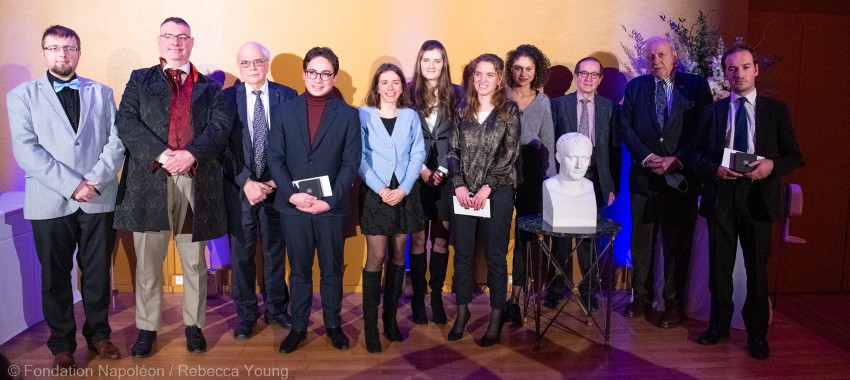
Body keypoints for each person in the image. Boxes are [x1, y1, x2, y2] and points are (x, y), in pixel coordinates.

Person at [7, 25, 124, 369]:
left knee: (98, 272)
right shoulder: (21, 95)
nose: (63, 54)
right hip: (50, 199)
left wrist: (94, 180)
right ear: (43, 52)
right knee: (55, 276)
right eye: (55, 48)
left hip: (98, 197)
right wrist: (73, 185)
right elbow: (27, 150)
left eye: (70, 48)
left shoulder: (101, 92)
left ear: (79, 52)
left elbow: (115, 142)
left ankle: (99, 334)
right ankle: (62, 344)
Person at [114, 17, 231, 357]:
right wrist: (164, 155)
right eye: (169, 36)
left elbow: (220, 127)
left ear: (191, 43)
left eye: (182, 37)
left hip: (194, 182)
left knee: (194, 262)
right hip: (149, 182)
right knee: (149, 265)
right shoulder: (140, 79)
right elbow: (127, 122)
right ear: (159, 41)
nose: (176, 42)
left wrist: (191, 154)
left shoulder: (210, 88)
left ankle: (193, 327)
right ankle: (147, 329)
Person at [691, 45, 802, 359]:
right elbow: (695, 156)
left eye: (744, 67)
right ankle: (718, 327)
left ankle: (757, 335)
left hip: (758, 200)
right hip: (721, 198)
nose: (737, 74)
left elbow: (794, 155)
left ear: (756, 69)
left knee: (757, 272)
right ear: (725, 74)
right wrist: (713, 169)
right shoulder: (712, 112)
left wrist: (771, 167)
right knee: (719, 269)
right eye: (731, 69)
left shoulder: (776, 111)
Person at [268, 47, 361, 354]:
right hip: (293, 207)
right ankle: (298, 327)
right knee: (298, 270)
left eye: (325, 73)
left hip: (330, 209)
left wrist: (330, 201)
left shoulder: (349, 115)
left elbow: (351, 163)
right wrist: (291, 194)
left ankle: (333, 325)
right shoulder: (283, 111)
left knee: (332, 269)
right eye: (313, 72)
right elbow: (276, 158)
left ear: (333, 76)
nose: (318, 79)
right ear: (304, 73)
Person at [620, 36, 712, 328]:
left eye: (661, 55)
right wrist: (647, 157)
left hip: (680, 179)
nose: (655, 60)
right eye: (650, 56)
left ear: (674, 56)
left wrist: (678, 160)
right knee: (642, 242)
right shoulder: (636, 87)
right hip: (644, 179)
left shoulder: (695, 86)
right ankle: (642, 297)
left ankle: (674, 304)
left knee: (676, 244)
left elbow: (703, 129)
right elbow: (626, 126)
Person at [221, 42, 297, 340]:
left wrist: (277, 181)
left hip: (277, 189)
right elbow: (223, 148)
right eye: (245, 63)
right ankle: (247, 314)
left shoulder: (287, 96)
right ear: (239, 66)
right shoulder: (226, 98)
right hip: (241, 190)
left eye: (258, 61)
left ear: (267, 63)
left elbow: (295, 143)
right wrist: (246, 182)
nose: (252, 68)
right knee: (241, 255)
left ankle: (277, 309)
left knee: (275, 252)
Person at [447, 54, 520, 347]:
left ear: (500, 78)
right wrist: (460, 186)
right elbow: (452, 151)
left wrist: (488, 186)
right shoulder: (462, 109)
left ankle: (494, 319)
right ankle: (462, 314)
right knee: (463, 254)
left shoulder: (509, 110)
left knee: (495, 256)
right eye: (478, 74)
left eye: (490, 75)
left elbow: (509, 154)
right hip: (463, 192)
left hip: (498, 191)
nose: (483, 80)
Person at [358, 63, 426, 353]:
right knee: (376, 256)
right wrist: (381, 188)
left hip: (404, 194)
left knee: (399, 255)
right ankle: (370, 326)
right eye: (384, 82)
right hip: (376, 194)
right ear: (376, 87)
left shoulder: (410, 116)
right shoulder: (363, 115)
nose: (390, 87)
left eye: (395, 82)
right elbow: (358, 156)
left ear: (402, 88)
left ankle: (390, 319)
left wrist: (404, 189)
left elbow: (418, 153)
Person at [547, 56, 620, 311]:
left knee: (589, 238)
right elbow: (550, 142)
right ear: (576, 76)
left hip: (595, 179)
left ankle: (588, 291)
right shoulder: (558, 105)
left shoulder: (609, 108)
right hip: (564, 180)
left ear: (600, 78)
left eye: (594, 74)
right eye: (584, 73)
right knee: (561, 237)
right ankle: (555, 288)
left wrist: (612, 186)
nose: (588, 78)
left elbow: (613, 149)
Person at [408, 40, 464, 325]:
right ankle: (418, 299)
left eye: (437, 60)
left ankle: (436, 296)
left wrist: (441, 169)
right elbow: (401, 138)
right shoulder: (407, 93)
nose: (431, 65)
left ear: (444, 63)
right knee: (418, 238)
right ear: (419, 63)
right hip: (415, 176)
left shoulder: (458, 94)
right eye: (426, 60)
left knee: (441, 238)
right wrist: (421, 170)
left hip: (446, 174)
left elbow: (460, 137)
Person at [503, 44, 555, 324]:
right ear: (511, 68)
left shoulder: (543, 101)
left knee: (524, 237)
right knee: (498, 236)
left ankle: (516, 300)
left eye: (529, 68)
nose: (523, 73)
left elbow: (547, 140)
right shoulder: (501, 95)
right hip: (500, 172)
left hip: (532, 173)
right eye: (518, 67)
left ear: (537, 71)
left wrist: (552, 180)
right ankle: (500, 299)